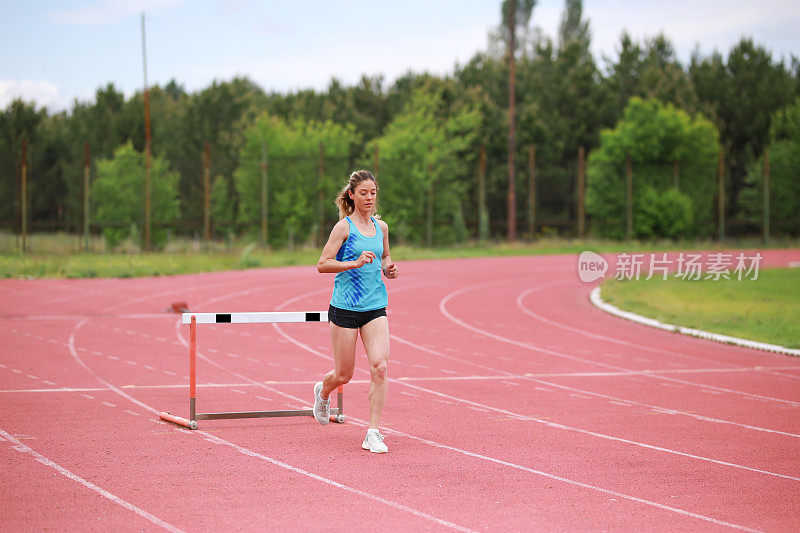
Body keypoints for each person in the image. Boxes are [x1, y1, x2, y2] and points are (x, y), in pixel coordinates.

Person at [314, 170, 399, 453]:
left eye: (373, 193)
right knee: (344, 375)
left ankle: (373, 432)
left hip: (375, 307)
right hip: (345, 307)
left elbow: (385, 256)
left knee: (380, 367)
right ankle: (323, 391)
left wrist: (389, 268)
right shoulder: (343, 228)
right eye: (363, 193)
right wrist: (353, 263)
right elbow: (323, 263)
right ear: (352, 195)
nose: (369, 198)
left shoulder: (381, 227)